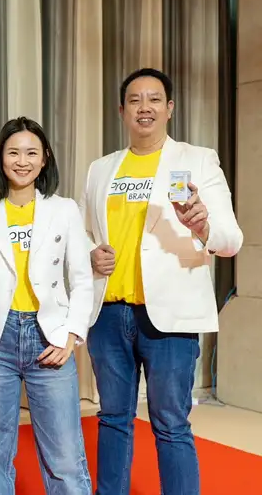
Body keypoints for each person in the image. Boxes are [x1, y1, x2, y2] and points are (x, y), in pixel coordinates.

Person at [79, 68, 243, 494]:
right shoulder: (101, 169)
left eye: (154, 99)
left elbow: (231, 240)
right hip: (108, 314)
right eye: (135, 100)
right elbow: (83, 233)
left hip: (170, 318)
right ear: (121, 110)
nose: (144, 107)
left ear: (169, 108)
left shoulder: (197, 160)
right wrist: (90, 252)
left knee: (171, 423)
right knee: (112, 419)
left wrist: (203, 226)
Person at [0, 116, 94, 495]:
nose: (23, 161)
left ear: (45, 157)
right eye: (13, 152)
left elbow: (82, 279)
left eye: (32, 153)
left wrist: (71, 335)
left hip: (48, 335)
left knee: (65, 458)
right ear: (0, 158)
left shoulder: (64, 210)